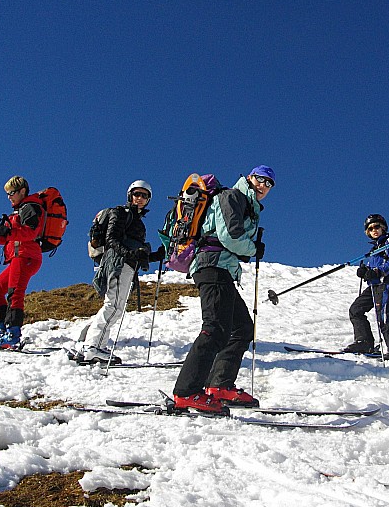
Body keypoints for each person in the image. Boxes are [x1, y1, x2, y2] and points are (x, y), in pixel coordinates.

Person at [171, 165, 274, 413]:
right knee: (215, 328)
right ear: (249, 178)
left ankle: (219, 385)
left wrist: (248, 247)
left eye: (269, 184)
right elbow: (230, 235)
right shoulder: (232, 197)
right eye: (260, 179)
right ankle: (186, 392)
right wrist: (252, 248)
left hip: (222, 269)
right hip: (211, 265)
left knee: (242, 327)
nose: (264, 186)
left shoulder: (247, 205)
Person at [72, 180, 165, 365]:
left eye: (144, 196)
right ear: (130, 195)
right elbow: (112, 239)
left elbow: (135, 252)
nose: (140, 198)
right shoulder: (120, 213)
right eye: (136, 194)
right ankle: (93, 347)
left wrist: (155, 255)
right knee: (114, 306)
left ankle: (90, 344)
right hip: (117, 264)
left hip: (126, 265)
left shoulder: (137, 222)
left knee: (115, 306)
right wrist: (130, 254)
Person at [0, 176, 44, 349]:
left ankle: (13, 334)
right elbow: (13, 237)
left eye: (12, 193)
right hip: (18, 257)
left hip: (26, 256)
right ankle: (1, 330)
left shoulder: (31, 207)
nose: (9, 197)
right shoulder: (19, 211)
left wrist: (6, 233)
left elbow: (30, 232)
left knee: (14, 292)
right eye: (7, 194)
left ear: (22, 191)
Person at [345, 214, 389, 359]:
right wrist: (365, 272)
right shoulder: (375, 249)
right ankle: (364, 341)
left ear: (383, 227)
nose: (374, 230)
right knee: (356, 310)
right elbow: (372, 268)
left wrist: (377, 272)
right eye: (370, 228)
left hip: (386, 283)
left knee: (384, 317)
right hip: (374, 286)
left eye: (376, 226)